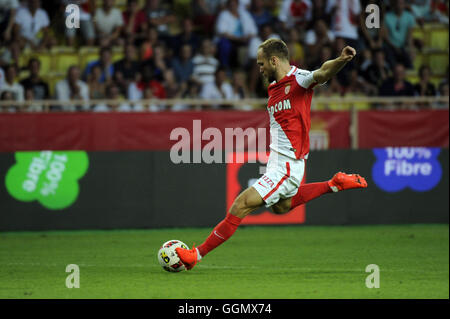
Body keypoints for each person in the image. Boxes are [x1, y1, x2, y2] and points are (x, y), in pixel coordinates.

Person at [175, 38, 368, 270]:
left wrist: (341, 59)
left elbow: (323, 72)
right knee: (281, 207)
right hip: (276, 164)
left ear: (274, 60)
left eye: (261, 63)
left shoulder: (300, 79)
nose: (260, 68)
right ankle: (334, 184)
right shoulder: (273, 89)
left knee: (240, 204)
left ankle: (195, 255)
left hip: (287, 166)